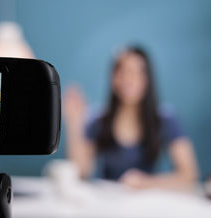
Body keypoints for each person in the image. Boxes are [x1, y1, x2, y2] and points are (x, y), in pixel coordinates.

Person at [63, 46, 198, 189]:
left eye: (136, 72)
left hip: (148, 203)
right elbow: (81, 173)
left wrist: (146, 183)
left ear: (147, 79)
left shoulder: (165, 120)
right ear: (113, 78)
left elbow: (189, 175)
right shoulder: (98, 120)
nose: (128, 79)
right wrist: (74, 123)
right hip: (108, 204)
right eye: (122, 71)